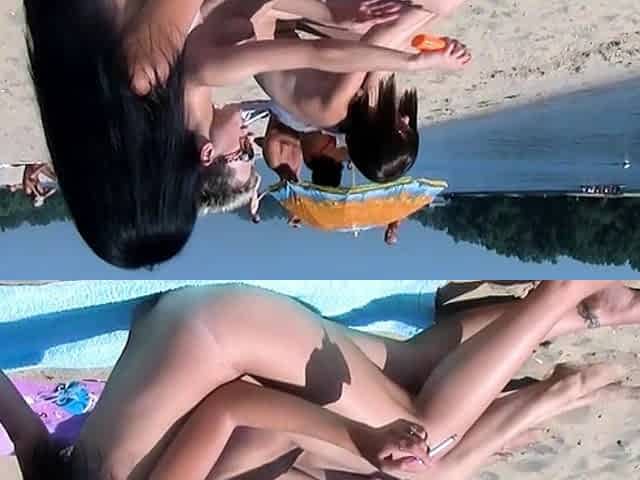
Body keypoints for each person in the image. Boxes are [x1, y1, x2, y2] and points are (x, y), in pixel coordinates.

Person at [3, 281, 639, 479]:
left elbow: (231, 408)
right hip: (188, 328)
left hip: (226, 332)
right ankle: (589, 313)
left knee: (429, 432)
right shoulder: (43, 474)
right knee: (406, 371)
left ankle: (566, 291)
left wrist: (361, 439)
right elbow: (22, 426)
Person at [22, 0, 456, 268]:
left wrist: (409, 62)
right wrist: (328, 13)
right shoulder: (123, 79)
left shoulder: (149, 73)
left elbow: (313, 51)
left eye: (181, 191)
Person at [250, 0, 471, 184]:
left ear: (377, 135)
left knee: (426, 8)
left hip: (255, 14)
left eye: (402, 128)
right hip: (282, 21)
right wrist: (437, 38)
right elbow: (388, 51)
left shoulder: (332, 111)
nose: (406, 118)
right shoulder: (356, 112)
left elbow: (375, 43)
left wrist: (420, 54)